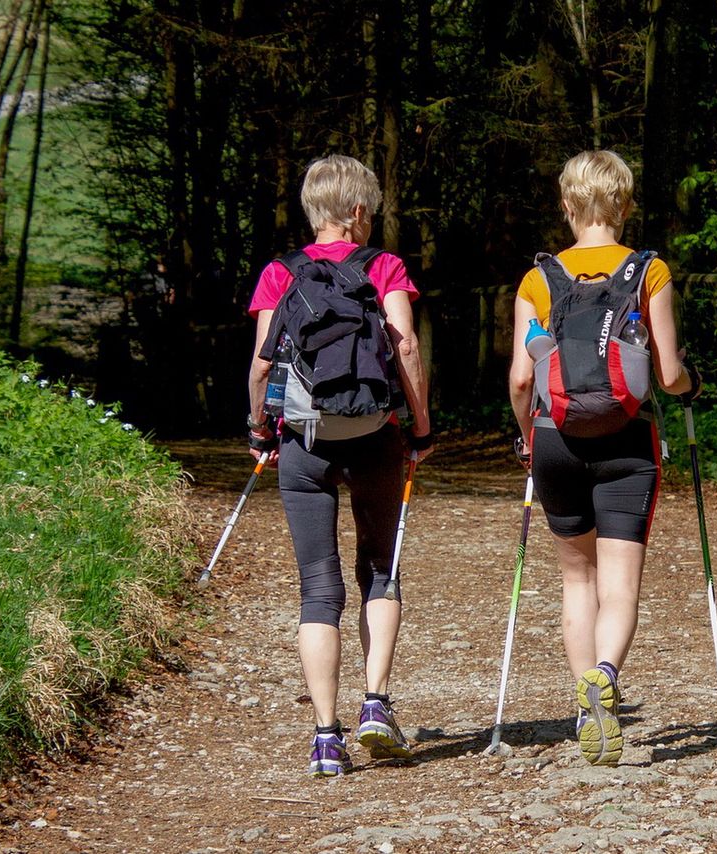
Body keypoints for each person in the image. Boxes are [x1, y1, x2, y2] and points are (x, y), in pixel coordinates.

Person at [507, 150, 699, 766]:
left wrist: (526, 440)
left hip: (554, 438)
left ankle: (586, 702)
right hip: (626, 440)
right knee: (619, 583)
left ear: (567, 208)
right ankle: (607, 675)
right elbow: (667, 375)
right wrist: (691, 383)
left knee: (575, 578)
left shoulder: (537, 280)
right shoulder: (650, 271)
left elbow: (519, 378)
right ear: (624, 206)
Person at [246, 155, 434, 777]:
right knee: (380, 568)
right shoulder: (384, 268)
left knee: (318, 587)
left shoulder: (281, 273)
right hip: (375, 434)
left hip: (304, 442)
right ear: (358, 212)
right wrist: (421, 425)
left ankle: (326, 737)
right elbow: (403, 346)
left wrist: (259, 427)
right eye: (372, 210)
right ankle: (375, 703)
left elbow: (264, 365)